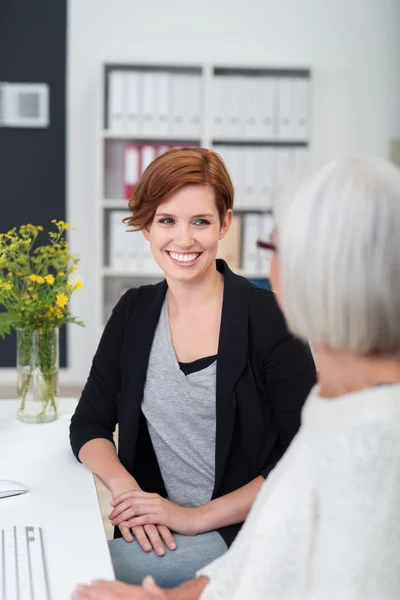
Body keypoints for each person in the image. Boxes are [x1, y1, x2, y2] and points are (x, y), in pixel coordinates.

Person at [72, 157, 400, 600]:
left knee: (77, 572)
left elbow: (290, 473)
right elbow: (89, 421)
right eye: (167, 220)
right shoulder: (134, 311)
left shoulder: (270, 318)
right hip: (162, 525)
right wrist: (128, 491)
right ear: (146, 225)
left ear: (225, 224)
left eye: (201, 221)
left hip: (231, 529)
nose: (183, 238)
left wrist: (194, 518)